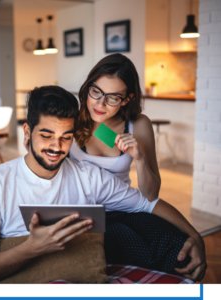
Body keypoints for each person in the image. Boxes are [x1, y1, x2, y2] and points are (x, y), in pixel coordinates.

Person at [0, 85, 206, 283]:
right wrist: (32, 247)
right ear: (27, 133)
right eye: (46, 135)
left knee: (174, 247)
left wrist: (195, 235)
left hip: (110, 224)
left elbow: (148, 202)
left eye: (65, 137)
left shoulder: (90, 174)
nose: (56, 147)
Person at [67, 53, 195, 275]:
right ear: (88, 87)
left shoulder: (138, 125)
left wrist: (140, 158)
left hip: (128, 206)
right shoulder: (72, 119)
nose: (100, 103)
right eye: (96, 91)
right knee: (145, 254)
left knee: (180, 248)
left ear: (126, 99)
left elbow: (151, 194)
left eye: (113, 97)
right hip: (88, 215)